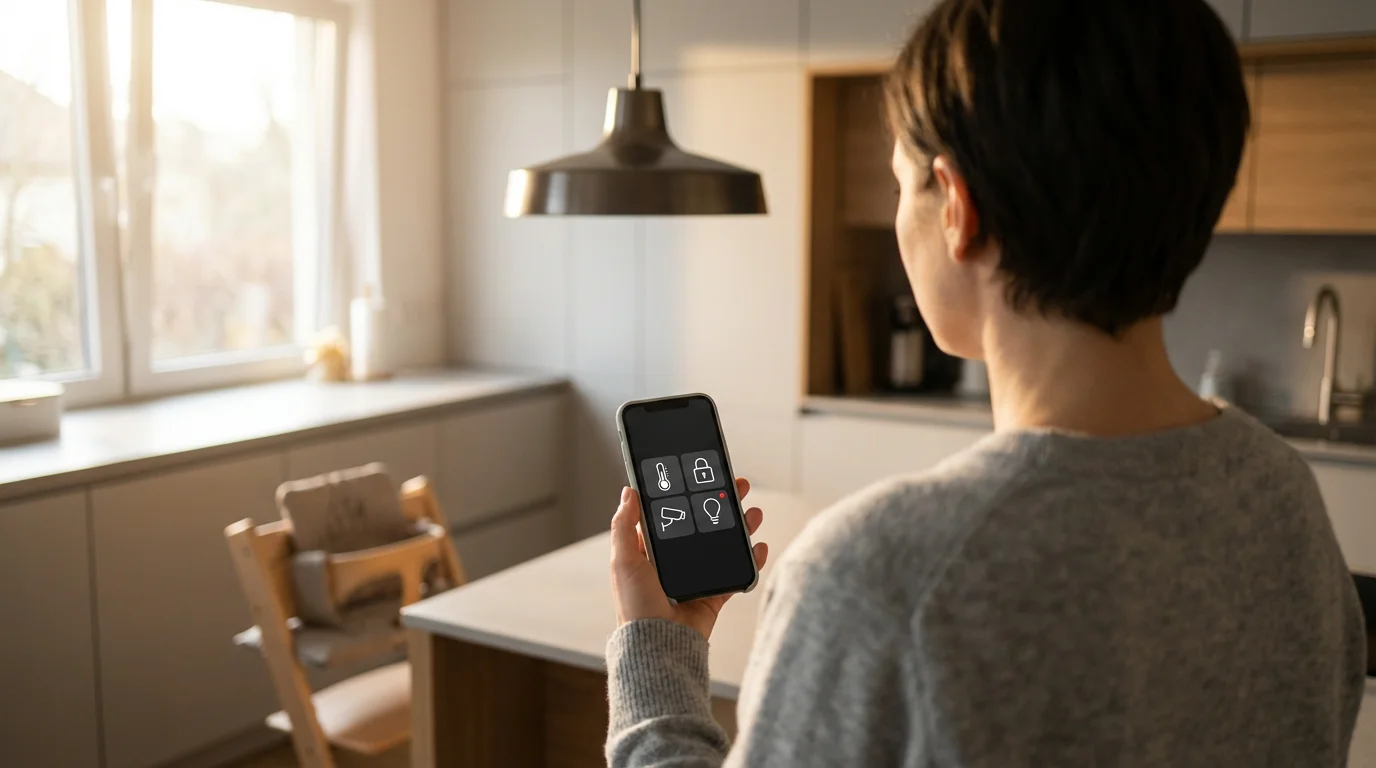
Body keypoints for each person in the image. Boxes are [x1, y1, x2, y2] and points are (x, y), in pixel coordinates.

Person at [604, 0, 1367, 764]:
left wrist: (656, 659)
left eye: (904, 184)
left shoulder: (879, 576)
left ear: (957, 209)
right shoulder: (1285, 499)